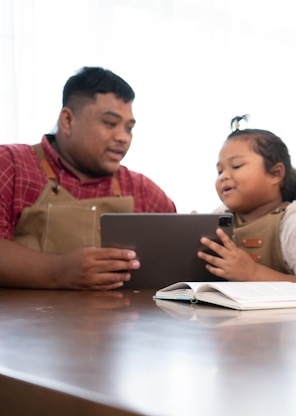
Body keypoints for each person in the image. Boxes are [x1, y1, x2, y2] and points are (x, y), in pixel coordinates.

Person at [0, 66, 176, 290]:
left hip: (122, 324)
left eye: (129, 128)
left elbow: (178, 258)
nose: (123, 138)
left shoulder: (143, 191)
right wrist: (57, 270)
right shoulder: (11, 165)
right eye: (110, 123)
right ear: (67, 120)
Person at [198, 115, 296, 287]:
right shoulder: (218, 218)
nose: (224, 176)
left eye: (236, 166)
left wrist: (253, 274)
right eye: (219, 171)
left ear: (275, 174)